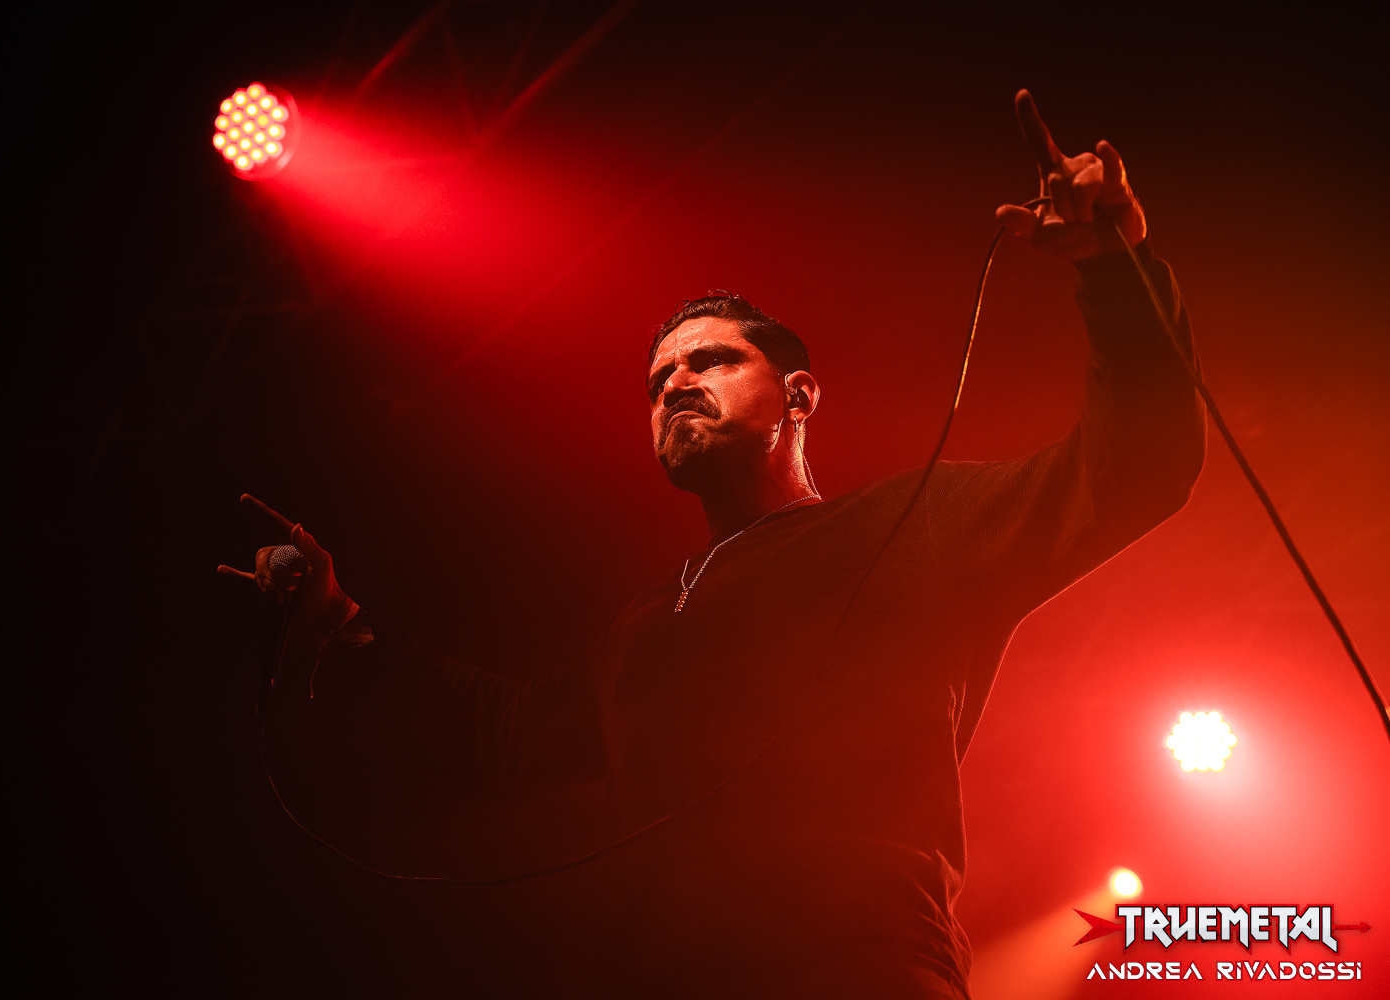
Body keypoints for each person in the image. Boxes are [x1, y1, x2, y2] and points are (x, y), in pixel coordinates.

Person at [219, 91, 1206, 998]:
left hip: (857, 964)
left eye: (710, 362)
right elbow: (503, 740)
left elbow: (1135, 466)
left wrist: (1113, 266)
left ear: (799, 395)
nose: (675, 386)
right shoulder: (647, 622)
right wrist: (339, 625)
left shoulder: (912, 524)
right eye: (657, 383)